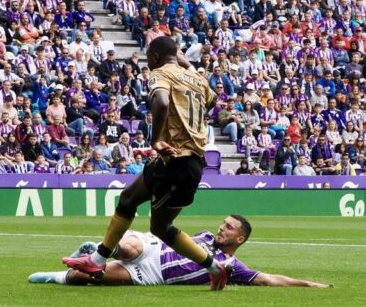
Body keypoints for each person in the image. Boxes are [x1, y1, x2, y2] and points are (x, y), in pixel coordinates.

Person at [62, 36, 229, 290]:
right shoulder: (197, 79)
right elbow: (213, 101)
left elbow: (160, 102)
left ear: (153, 58)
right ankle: (96, 260)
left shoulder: (160, 72)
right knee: (129, 200)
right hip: (185, 161)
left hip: (176, 160)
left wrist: (157, 139)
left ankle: (214, 268)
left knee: (159, 227)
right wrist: (187, 66)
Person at [31, 215, 330, 289]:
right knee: (130, 245)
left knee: (87, 280)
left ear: (239, 239)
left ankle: (59, 275)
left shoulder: (231, 265)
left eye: (228, 228)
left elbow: (270, 279)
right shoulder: (204, 236)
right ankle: (100, 251)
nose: (221, 228)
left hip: (151, 274)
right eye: (223, 223)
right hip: (153, 248)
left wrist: (307, 283)